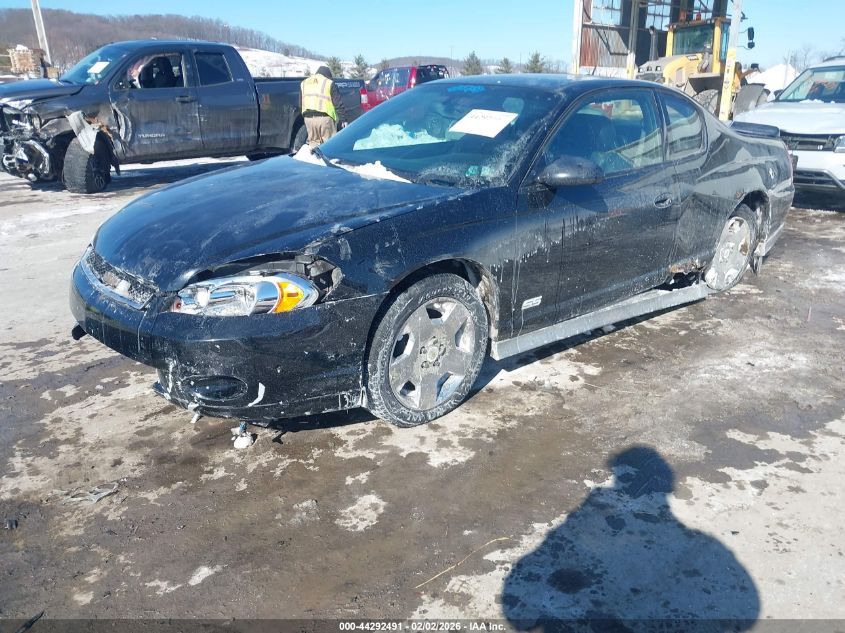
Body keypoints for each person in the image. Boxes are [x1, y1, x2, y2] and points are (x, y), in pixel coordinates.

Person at [300, 65, 349, 146]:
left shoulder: (304, 83)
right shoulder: (328, 83)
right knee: (329, 145)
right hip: (324, 120)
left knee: (313, 145)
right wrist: (344, 119)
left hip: (308, 119)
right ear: (327, 75)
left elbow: (301, 103)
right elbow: (337, 103)